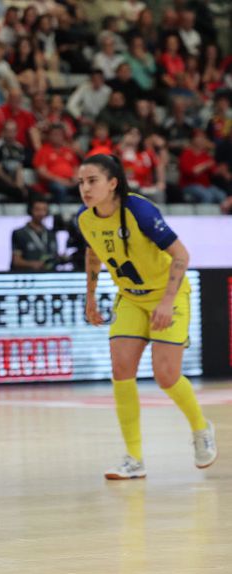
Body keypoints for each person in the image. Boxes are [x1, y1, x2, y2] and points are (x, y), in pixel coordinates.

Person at [76, 154, 217, 479]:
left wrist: (167, 302)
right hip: (130, 298)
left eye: (92, 180)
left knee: (166, 374)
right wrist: (91, 297)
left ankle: (200, 427)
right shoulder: (86, 219)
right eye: (81, 182)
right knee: (121, 370)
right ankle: (133, 458)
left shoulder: (139, 210)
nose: (85, 188)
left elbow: (181, 254)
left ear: (113, 183)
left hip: (168, 294)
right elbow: (93, 253)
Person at [11, 198, 59, 271]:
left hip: (49, 276)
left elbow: (55, 257)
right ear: (30, 210)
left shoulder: (51, 234)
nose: (41, 213)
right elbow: (16, 261)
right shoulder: (19, 233)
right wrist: (33, 264)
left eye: (44, 210)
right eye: (37, 210)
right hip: (28, 275)